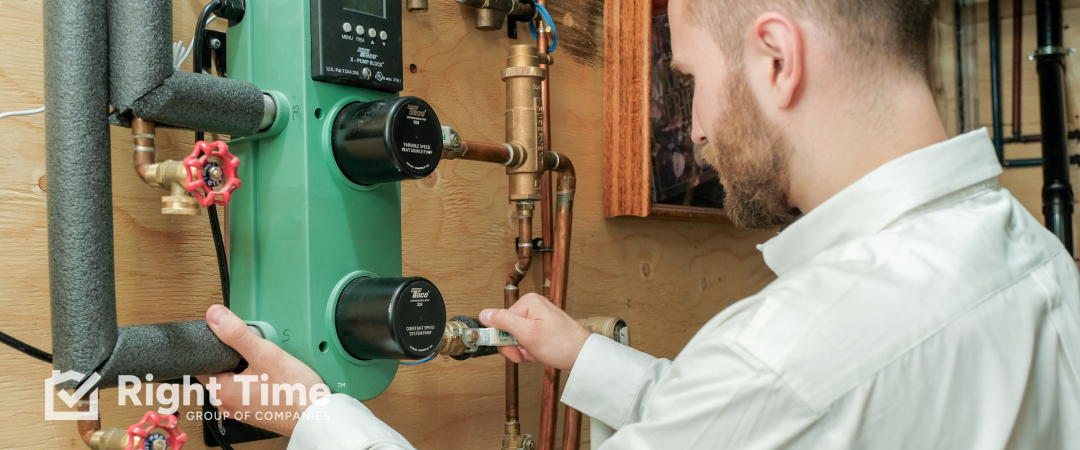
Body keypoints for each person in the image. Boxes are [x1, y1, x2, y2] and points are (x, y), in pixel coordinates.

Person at [199, 0, 1080, 447]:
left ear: (777, 58)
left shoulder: (793, 354)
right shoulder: (1037, 264)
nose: (692, 130)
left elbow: (783, 396)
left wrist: (317, 414)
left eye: (693, 79)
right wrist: (589, 361)